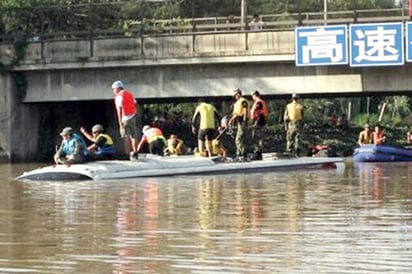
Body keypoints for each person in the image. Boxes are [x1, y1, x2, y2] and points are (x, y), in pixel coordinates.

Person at [112, 80, 139, 161]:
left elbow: (119, 110)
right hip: (132, 117)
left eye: (113, 89)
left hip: (125, 118)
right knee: (134, 136)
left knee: (126, 136)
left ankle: (127, 154)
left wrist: (120, 122)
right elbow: (135, 103)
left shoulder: (118, 96)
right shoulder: (129, 94)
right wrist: (135, 112)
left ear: (117, 88)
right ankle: (135, 152)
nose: (113, 91)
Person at [229, 89, 250, 161]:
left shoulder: (243, 101)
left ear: (238, 94)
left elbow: (245, 111)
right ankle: (242, 154)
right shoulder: (238, 102)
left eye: (235, 95)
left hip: (242, 121)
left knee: (239, 138)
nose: (235, 97)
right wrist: (231, 120)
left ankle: (240, 154)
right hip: (239, 121)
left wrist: (244, 121)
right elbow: (237, 113)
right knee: (240, 138)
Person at [250, 90, 268, 160]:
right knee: (258, 137)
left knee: (255, 137)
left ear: (255, 95)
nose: (252, 98)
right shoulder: (261, 102)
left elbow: (259, 113)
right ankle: (258, 153)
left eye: (252, 96)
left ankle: (257, 153)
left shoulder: (258, 102)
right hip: (261, 121)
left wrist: (256, 123)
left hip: (259, 121)